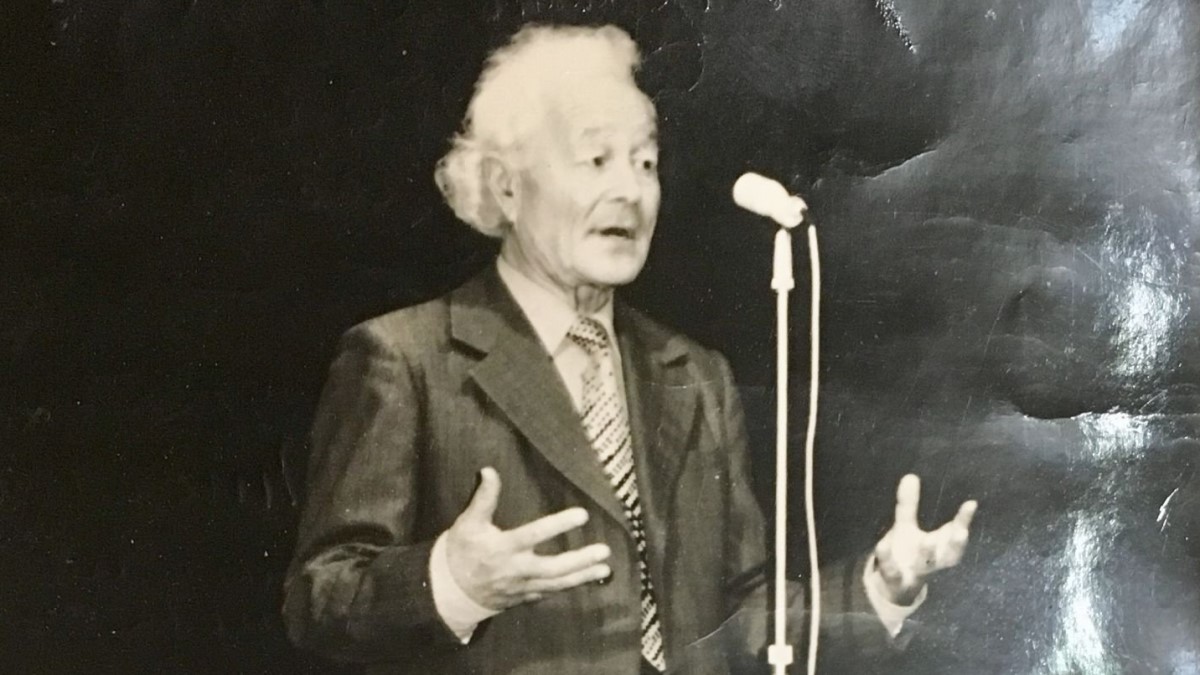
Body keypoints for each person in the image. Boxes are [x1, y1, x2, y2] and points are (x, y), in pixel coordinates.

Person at [282, 24, 977, 675]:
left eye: (645, 162)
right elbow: (319, 599)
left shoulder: (696, 374)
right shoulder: (404, 358)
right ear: (506, 185)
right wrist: (448, 581)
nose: (630, 190)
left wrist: (879, 587)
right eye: (596, 159)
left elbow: (738, 616)